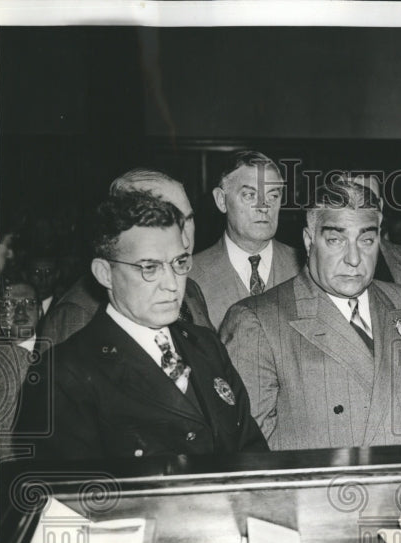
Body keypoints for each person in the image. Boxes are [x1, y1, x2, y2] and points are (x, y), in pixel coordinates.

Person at [17, 192, 267, 460]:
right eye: (150, 267)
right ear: (105, 273)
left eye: (180, 263)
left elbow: (251, 452)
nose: (172, 283)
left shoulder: (206, 345)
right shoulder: (64, 374)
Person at [219, 178, 401, 450]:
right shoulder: (257, 321)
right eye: (336, 240)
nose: (354, 258)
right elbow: (249, 453)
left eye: (366, 240)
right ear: (309, 240)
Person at [36, 169, 213, 352]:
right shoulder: (78, 313)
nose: (183, 240)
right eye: (162, 223)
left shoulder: (190, 290)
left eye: (188, 219)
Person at [188, 150, 301, 327]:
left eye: (273, 195)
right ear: (221, 201)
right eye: (250, 195)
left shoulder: (307, 267)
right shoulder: (190, 275)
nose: (264, 207)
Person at [351, 174, 401, 294]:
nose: (359, 212)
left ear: (381, 206)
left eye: (369, 201)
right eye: (347, 202)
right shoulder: (317, 261)